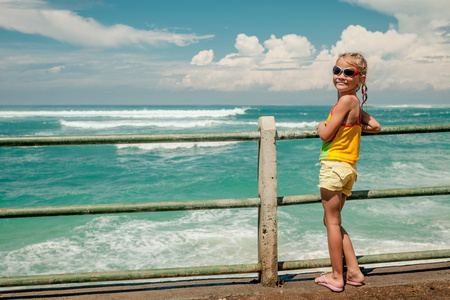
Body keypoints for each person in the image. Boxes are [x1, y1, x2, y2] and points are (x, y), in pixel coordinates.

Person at [314, 52, 381, 292]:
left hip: (334, 165)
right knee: (331, 220)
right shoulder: (354, 102)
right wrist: (352, 127)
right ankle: (353, 271)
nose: (341, 76)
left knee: (332, 222)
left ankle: (335, 277)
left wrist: (320, 125)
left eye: (349, 72)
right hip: (349, 168)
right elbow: (375, 126)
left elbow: (325, 134)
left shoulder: (345, 102)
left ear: (360, 78)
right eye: (337, 70)